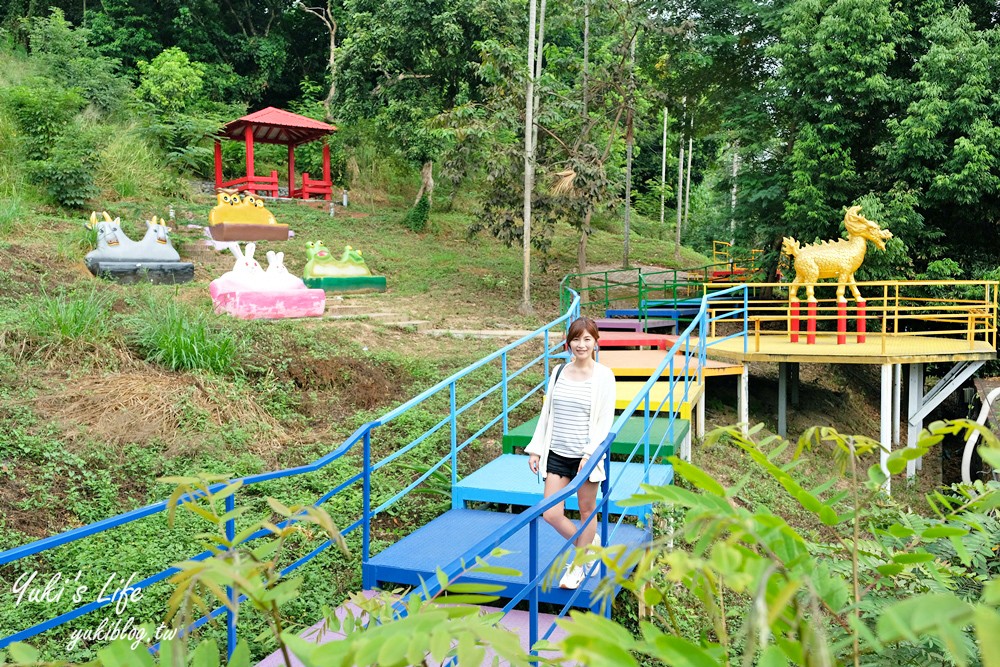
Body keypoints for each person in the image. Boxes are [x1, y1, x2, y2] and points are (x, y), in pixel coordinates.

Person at [525, 316, 616, 589]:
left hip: (585, 457)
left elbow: (604, 421)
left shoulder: (604, 376)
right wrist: (536, 449)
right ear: (568, 343)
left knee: (587, 511)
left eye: (587, 339)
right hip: (557, 452)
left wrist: (589, 455)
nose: (581, 344)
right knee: (550, 513)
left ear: (596, 343)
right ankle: (588, 546)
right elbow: (547, 413)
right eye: (576, 339)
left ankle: (578, 565)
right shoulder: (558, 372)